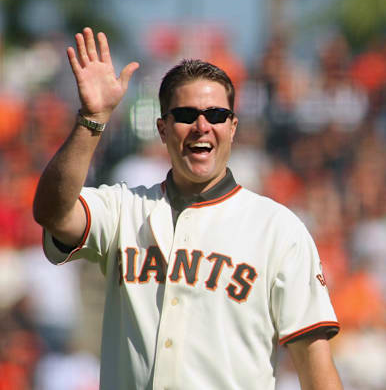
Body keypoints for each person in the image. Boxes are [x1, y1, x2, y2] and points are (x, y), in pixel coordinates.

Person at [33, 28, 343, 390]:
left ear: (233, 128)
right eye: (185, 114)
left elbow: (317, 371)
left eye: (215, 114)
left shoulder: (278, 229)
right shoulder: (123, 208)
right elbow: (52, 213)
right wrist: (92, 119)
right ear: (162, 129)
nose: (201, 127)